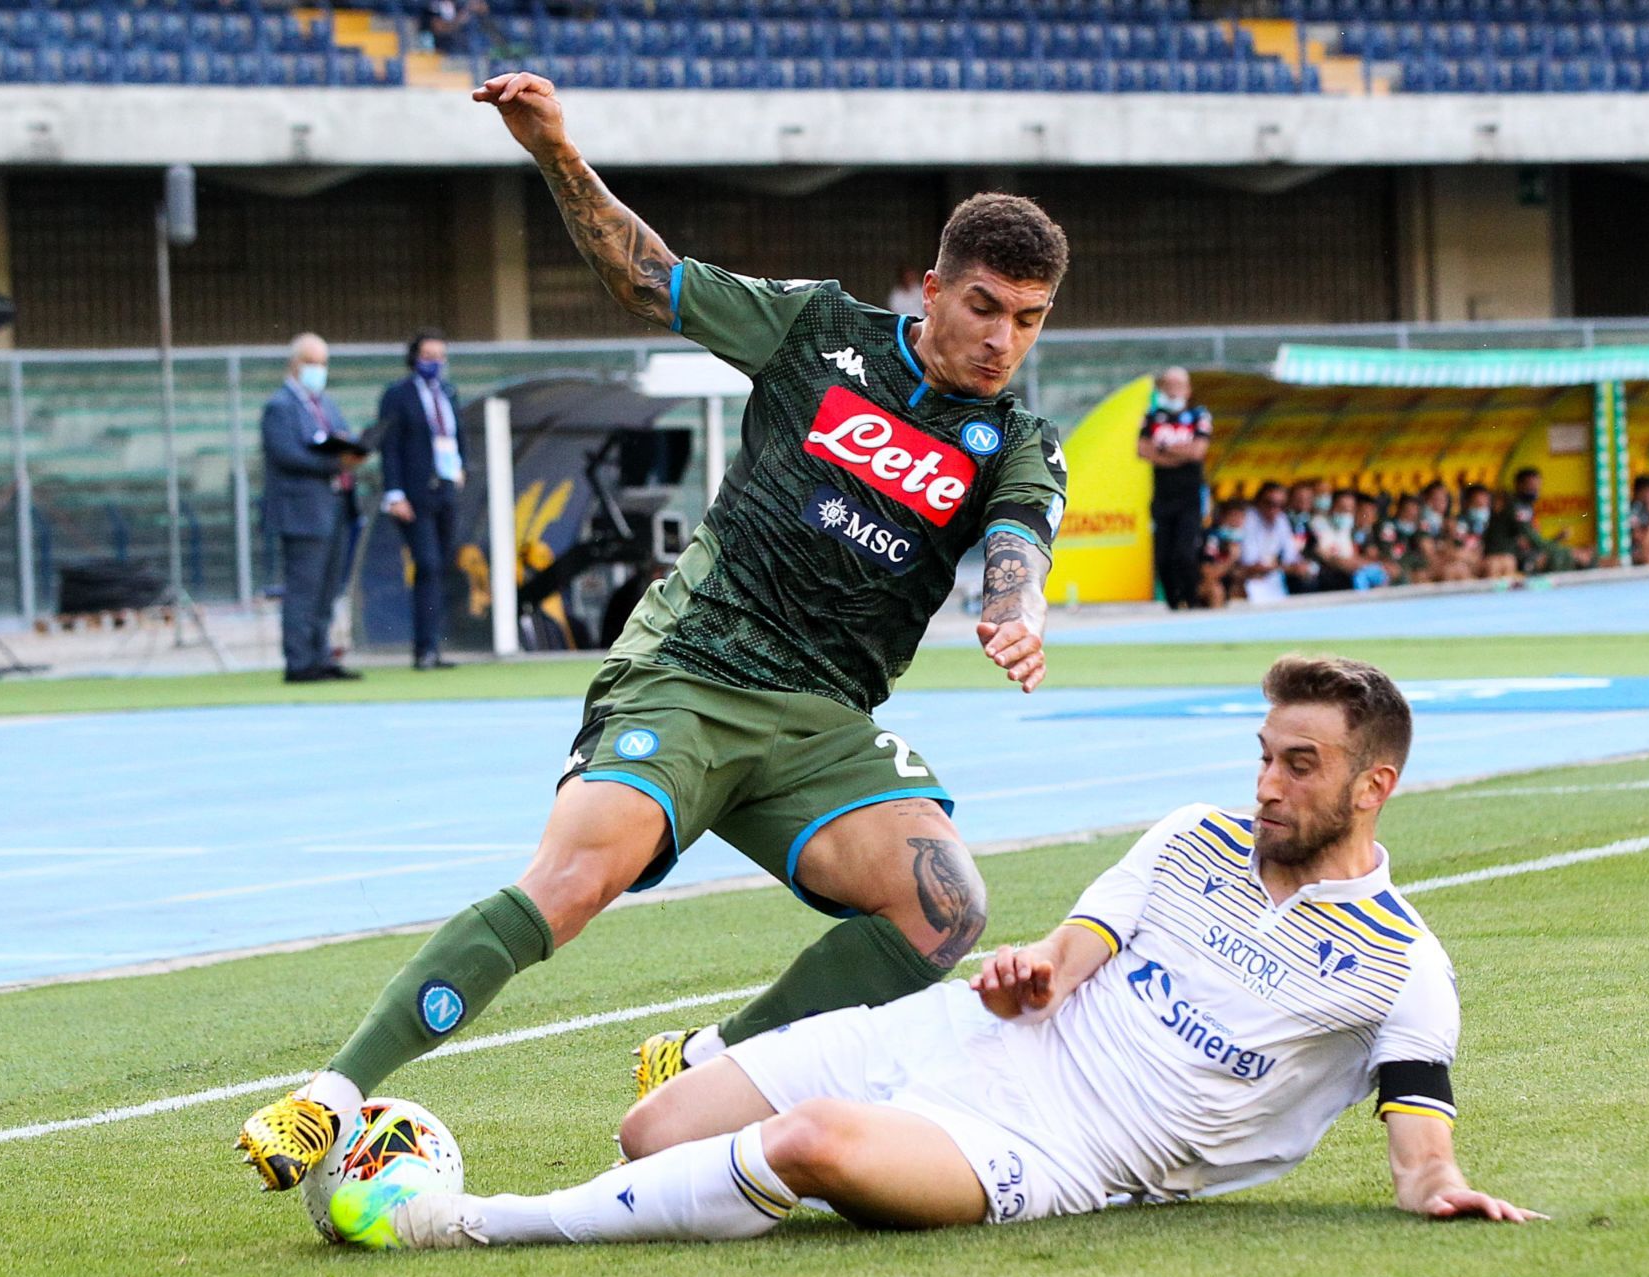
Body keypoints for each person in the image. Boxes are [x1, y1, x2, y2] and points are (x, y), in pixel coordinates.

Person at [236, 70, 1071, 1192]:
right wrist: (553, 152)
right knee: (572, 884)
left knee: (943, 906)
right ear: (931, 287)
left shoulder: (1014, 437)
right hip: (688, 670)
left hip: (821, 719)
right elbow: (651, 279)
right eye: (982, 306)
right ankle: (327, 1099)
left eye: (1026, 319)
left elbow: (1020, 540)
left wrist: (1013, 610)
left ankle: (707, 1060)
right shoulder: (816, 331)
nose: (1000, 338)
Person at [328, 654, 1542, 1251]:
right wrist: (1030, 970)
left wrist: (1437, 1189)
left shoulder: (1401, 963)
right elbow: (1074, 947)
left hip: (1055, 1145)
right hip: (961, 1035)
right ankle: (745, 1181)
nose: (1266, 783)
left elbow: (1417, 1146)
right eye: (1265, 752)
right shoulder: (1193, 838)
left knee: (802, 1145)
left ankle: (477, 1222)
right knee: (653, 1130)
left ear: (1373, 785)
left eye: (1301, 765)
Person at [263, 332, 366, 684]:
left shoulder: (326, 404)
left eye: (323, 363)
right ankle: (299, 661)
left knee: (326, 590)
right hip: (303, 513)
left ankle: (321, 656)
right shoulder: (280, 407)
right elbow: (286, 454)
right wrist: (335, 464)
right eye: (312, 363)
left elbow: (342, 436)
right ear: (295, 365)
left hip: (335, 507)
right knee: (303, 589)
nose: (318, 370)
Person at [377, 329, 466, 670]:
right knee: (426, 566)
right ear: (414, 358)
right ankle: (424, 648)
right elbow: (391, 447)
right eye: (429, 357)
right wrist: (394, 492)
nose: (435, 363)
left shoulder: (448, 392)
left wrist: (462, 467)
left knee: (440, 568)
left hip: (444, 490)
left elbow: (455, 436)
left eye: (440, 357)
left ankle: (435, 646)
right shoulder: (398, 396)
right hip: (414, 496)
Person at [1139, 366, 1210, 611]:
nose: (1173, 390)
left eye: (1178, 385)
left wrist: (1163, 449)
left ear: (1188, 389)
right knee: (1164, 555)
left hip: (1190, 496)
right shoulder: (1152, 416)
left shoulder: (1198, 415)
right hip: (1163, 496)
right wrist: (1181, 452)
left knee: (1185, 552)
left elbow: (1198, 452)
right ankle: (1172, 603)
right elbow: (1143, 450)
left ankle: (1191, 599)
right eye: (1168, 385)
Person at [1484, 468, 1589, 576]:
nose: (1535, 489)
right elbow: (1534, 540)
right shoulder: (1515, 507)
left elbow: (1532, 540)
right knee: (1559, 557)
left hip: (1515, 554)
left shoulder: (1526, 506)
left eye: (1537, 485)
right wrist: (1568, 551)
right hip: (1502, 556)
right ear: (1519, 485)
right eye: (1531, 485)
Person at [1236, 482, 1316, 593]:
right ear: (1258, 501)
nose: (1274, 509)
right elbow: (1251, 563)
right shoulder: (1248, 520)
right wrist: (1286, 568)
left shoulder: (1281, 519)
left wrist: (1301, 565)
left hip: (1275, 585)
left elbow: (1291, 555)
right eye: (1269, 503)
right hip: (1249, 584)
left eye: (1280, 505)